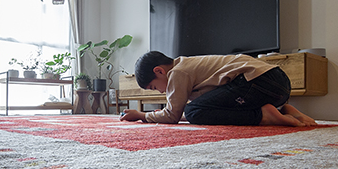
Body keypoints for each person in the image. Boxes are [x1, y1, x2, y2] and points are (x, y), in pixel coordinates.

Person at [119, 51, 317, 126]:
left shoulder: (178, 72)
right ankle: (283, 110)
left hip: (258, 81)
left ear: (159, 71)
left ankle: (264, 116)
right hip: (277, 83)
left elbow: (173, 116)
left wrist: (141, 115)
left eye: (155, 87)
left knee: (194, 111)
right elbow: (208, 109)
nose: (161, 92)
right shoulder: (187, 66)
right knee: (199, 109)